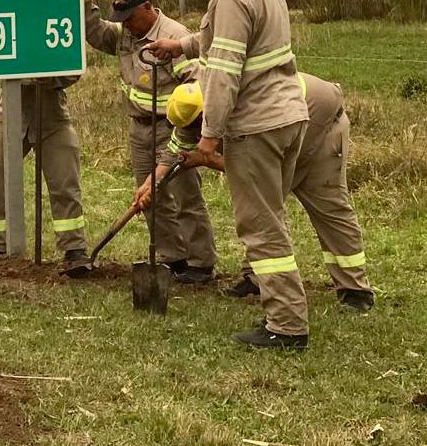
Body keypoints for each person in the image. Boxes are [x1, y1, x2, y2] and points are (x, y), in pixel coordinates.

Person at [150, 0, 310, 349]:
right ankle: (284, 311)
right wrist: (179, 46)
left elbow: (222, 70)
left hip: (257, 122)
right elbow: (222, 40)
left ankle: (287, 325)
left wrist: (211, 133)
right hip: (289, 113)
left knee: (260, 226)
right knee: (272, 217)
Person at [142, 75, 374, 311]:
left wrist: (208, 160)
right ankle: (256, 276)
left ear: (206, 114)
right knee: (259, 209)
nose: (191, 133)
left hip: (321, 121)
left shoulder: (242, 111)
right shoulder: (198, 108)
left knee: (327, 205)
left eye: (194, 127)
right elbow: (175, 151)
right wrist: (151, 182)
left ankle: (355, 289)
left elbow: (257, 167)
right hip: (288, 124)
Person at [81, 0, 216, 282]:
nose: (125, 25)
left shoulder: (173, 36)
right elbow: (95, 32)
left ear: (147, 7)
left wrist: (187, 127)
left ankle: (201, 262)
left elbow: (196, 86)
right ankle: (174, 256)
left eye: (130, 17)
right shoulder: (125, 33)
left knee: (185, 196)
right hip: (139, 128)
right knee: (149, 197)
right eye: (122, 19)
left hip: (172, 128)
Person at [0, 77, 92, 276]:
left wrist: (51, 78)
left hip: (53, 114)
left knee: (65, 180)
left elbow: (73, 66)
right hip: (9, 111)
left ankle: (74, 248)